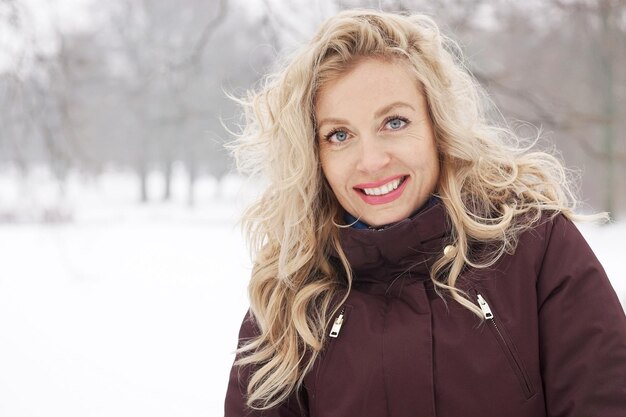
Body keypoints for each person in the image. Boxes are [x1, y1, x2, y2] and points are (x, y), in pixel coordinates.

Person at [223, 9, 626, 417]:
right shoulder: (289, 298)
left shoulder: (536, 249)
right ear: (315, 155)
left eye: (394, 122)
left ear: (438, 126)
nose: (371, 160)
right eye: (339, 135)